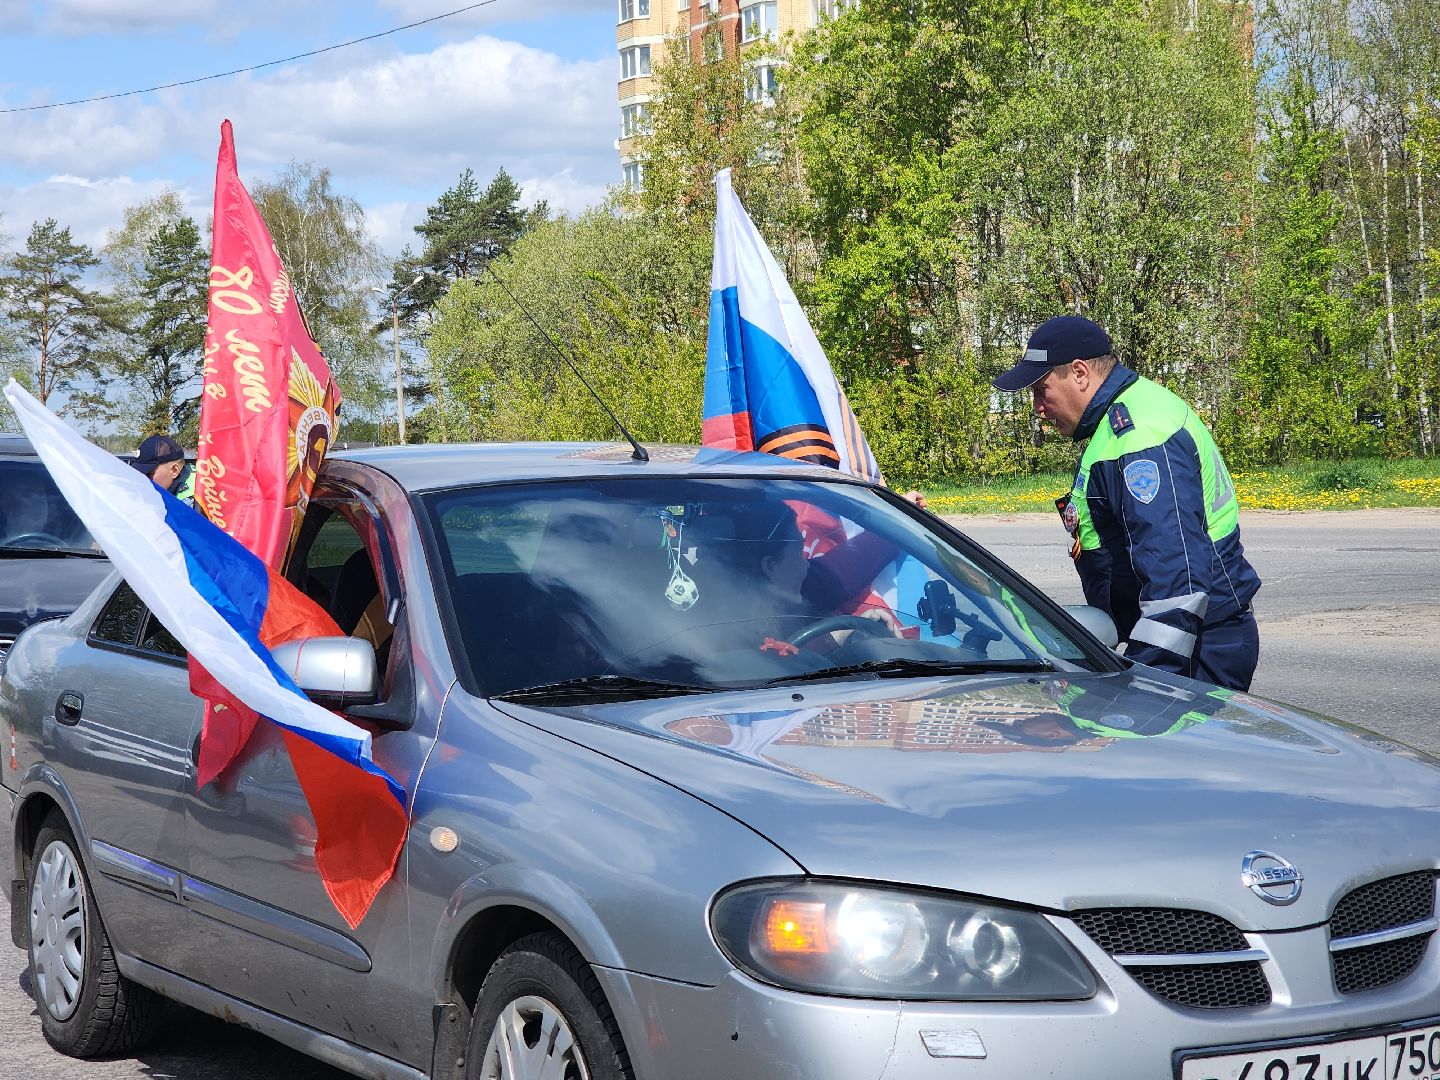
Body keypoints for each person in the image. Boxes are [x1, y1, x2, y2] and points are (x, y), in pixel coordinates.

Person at [991, 315, 1261, 691]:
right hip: (1185, 642)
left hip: (1194, 652)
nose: (1037, 407)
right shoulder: (1121, 420)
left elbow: (1177, 582)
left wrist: (1144, 682)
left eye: (1042, 389)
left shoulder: (1139, 437)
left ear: (1080, 373)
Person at [129, 434, 196, 505]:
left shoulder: (196, 502)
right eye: (141, 474)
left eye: (150, 473)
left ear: (174, 470)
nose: (144, 479)